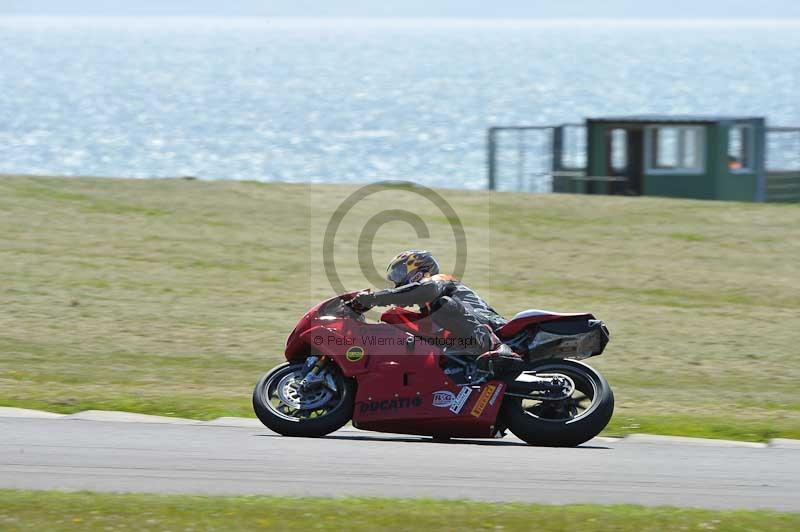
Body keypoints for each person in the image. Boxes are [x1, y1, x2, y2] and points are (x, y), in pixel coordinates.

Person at [349, 250, 523, 378]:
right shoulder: (428, 310)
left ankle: (496, 347)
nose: (398, 280)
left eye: (401, 272)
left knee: (443, 306)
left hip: (492, 324)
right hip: (468, 335)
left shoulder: (437, 281)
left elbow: (425, 290)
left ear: (420, 270)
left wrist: (374, 298)